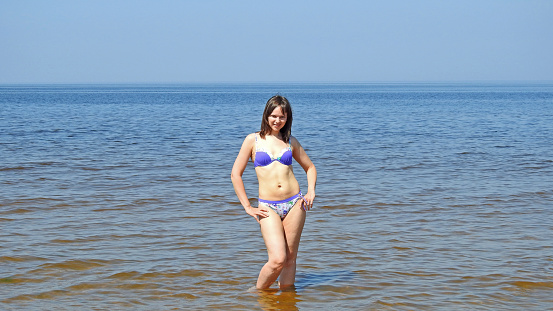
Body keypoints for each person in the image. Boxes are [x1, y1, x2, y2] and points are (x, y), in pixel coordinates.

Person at [231, 95, 317, 290]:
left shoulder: (290, 141)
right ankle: (258, 293)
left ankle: (287, 300)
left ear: (288, 119)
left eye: (283, 117)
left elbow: (310, 168)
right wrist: (247, 207)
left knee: (290, 257)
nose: (278, 121)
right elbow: (236, 174)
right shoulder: (252, 140)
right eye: (274, 116)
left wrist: (311, 191)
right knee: (277, 259)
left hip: (295, 202)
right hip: (267, 206)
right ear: (266, 115)